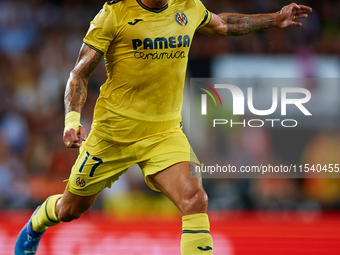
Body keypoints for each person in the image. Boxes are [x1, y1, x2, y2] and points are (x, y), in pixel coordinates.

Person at [15, 0, 312, 254]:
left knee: (195, 198)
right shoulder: (114, 15)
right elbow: (79, 73)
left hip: (164, 132)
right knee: (71, 210)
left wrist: (275, 18)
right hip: (112, 135)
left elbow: (223, 24)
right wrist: (71, 120)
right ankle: (36, 224)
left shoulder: (187, 6)